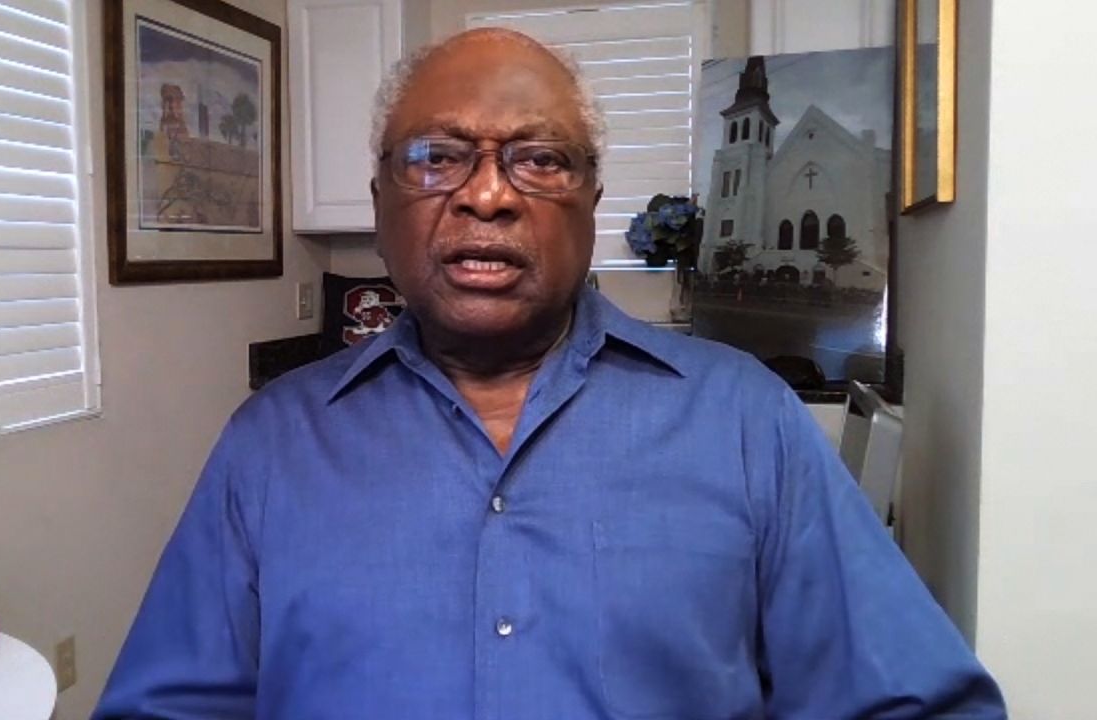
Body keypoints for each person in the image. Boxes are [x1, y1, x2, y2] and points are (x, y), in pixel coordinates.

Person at [94, 28, 1004, 719]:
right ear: (380, 207)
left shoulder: (742, 421)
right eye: (436, 158)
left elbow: (913, 701)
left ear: (592, 205)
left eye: (537, 159)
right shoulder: (272, 444)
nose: (487, 193)